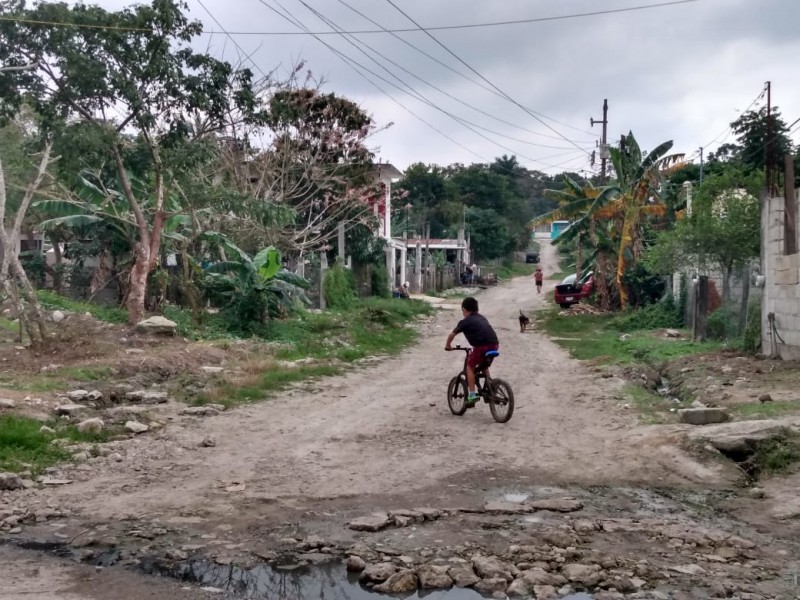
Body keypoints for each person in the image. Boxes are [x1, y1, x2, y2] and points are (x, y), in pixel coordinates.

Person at [444, 297, 499, 407]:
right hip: (494, 344)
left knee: (470, 367)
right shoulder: (482, 318)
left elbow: (452, 335)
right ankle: (489, 387)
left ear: (464, 310)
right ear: (477, 309)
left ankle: (472, 395)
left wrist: (448, 345)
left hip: (481, 347)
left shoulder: (464, 322)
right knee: (484, 364)